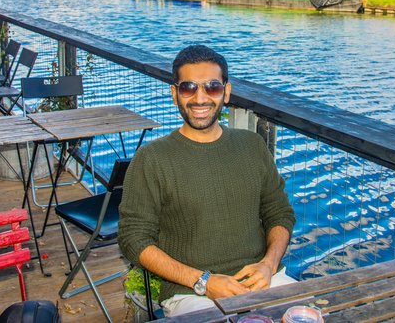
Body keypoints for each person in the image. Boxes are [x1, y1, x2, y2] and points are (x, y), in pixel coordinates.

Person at [119, 45, 296, 317]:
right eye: (189, 87)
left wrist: (268, 265)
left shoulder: (252, 145)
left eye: (212, 87)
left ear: (226, 92)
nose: (200, 98)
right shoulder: (152, 158)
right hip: (190, 293)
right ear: (175, 94)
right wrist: (203, 281)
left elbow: (279, 213)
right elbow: (133, 239)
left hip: (264, 279)